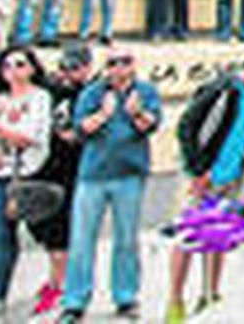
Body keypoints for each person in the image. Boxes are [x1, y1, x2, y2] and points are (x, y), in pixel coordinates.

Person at [167, 48, 244, 323]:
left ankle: (210, 295)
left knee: (219, 234)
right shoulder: (222, 90)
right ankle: (175, 301)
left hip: (233, 176)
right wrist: (198, 171)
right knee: (188, 235)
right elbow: (186, 127)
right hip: (202, 175)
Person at [59, 46, 160, 323]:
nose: (118, 68)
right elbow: (79, 130)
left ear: (133, 64)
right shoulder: (93, 93)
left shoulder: (145, 91)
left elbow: (150, 125)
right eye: (112, 63)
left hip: (129, 173)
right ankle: (75, 301)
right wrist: (104, 114)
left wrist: (136, 112)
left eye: (125, 61)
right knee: (81, 240)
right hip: (93, 175)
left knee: (126, 239)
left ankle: (126, 297)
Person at [32, 44, 93, 317]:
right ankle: (56, 279)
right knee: (41, 228)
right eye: (65, 66)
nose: (69, 73)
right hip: (45, 166)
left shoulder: (92, 94)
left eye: (76, 67)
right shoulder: (50, 89)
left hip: (75, 170)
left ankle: (58, 285)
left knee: (61, 233)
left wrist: (78, 134)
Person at [0, 45, 54, 310]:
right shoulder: (0, 97)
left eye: (20, 64)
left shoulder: (39, 98)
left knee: (4, 236)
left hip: (23, 175)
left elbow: (30, 137)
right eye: (7, 66)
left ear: (32, 68)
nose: (13, 71)